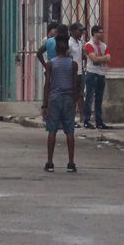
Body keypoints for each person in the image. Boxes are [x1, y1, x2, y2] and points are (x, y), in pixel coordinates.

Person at [42, 30, 81, 173]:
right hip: (68, 99)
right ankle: (71, 163)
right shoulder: (73, 64)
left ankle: (50, 162)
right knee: (69, 131)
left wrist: (44, 104)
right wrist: (75, 99)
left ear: (56, 49)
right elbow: (74, 84)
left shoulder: (50, 64)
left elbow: (47, 84)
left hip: (54, 98)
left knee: (52, 130)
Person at [83, 25, 112, 130]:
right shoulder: (89, 45)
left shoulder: (104, 45)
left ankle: (99, 121)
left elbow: (109, 58)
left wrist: (100, 58)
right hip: (92, 72)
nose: (101, 34)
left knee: (99, 98)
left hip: (101, 73)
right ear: (94, 33)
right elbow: (94, 59)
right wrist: (102, 58)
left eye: (102, 32)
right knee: (89, 97)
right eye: (99, 32)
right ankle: (86, 120)